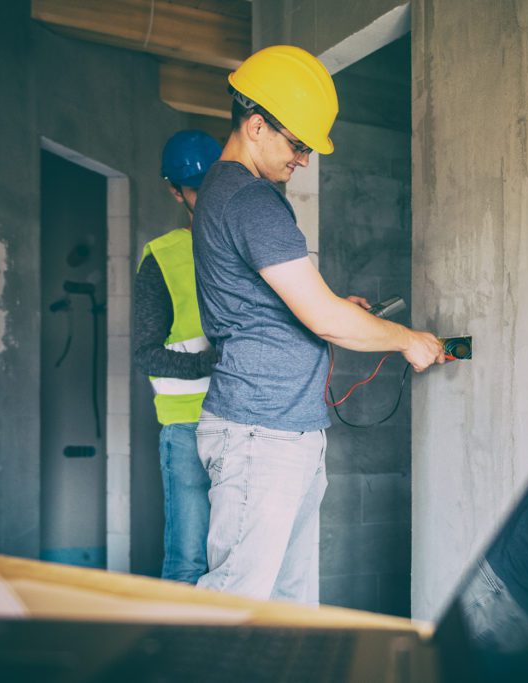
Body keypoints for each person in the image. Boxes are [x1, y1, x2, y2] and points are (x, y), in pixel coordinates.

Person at [191, 45, 446, 604]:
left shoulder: (223, 192)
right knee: (235, 606)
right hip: (263, 435)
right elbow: (326, 321)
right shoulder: (251, 200)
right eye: (298, 144)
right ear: (257, 126)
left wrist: (334, 304)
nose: (303, 160)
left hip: (280, 430)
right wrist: (410, 341)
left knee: (287, 607)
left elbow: (286, 302)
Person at [133, 129, 222, 584]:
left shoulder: (243, 244)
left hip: (244, 422)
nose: (206, 196)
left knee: (236, 564)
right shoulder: (163, 258)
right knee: (189, 559)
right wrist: (208, 362)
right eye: (195, 188)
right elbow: (146, 354)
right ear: (175, 192)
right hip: (186, 427)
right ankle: (177, 653)